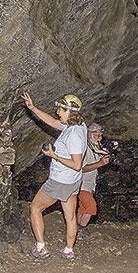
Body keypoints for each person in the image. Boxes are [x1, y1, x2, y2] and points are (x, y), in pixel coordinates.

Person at [21, 91, 87, 259]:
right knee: (70, 216)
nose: (57, 113)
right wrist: (33, 108)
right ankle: (68, 250)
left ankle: (41, 247)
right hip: (72, 182)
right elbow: (52, 122)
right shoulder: (78, 126)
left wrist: (53, 155)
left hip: (60, 181)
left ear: (69, 112)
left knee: (35, 208)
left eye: (61, 110)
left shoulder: (73, 136)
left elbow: (77, 164)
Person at [76, 123, 111, 231]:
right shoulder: (84, 148)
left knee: (83, 208)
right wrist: (100, 163)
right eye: (96, 134)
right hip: (82, 184)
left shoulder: (94, 147)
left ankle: (76, 229)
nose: (99, 137)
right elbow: (81, 168)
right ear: (88, 134)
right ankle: (80, 229)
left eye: (100, 135)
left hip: (90, 184)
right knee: (91, 207)